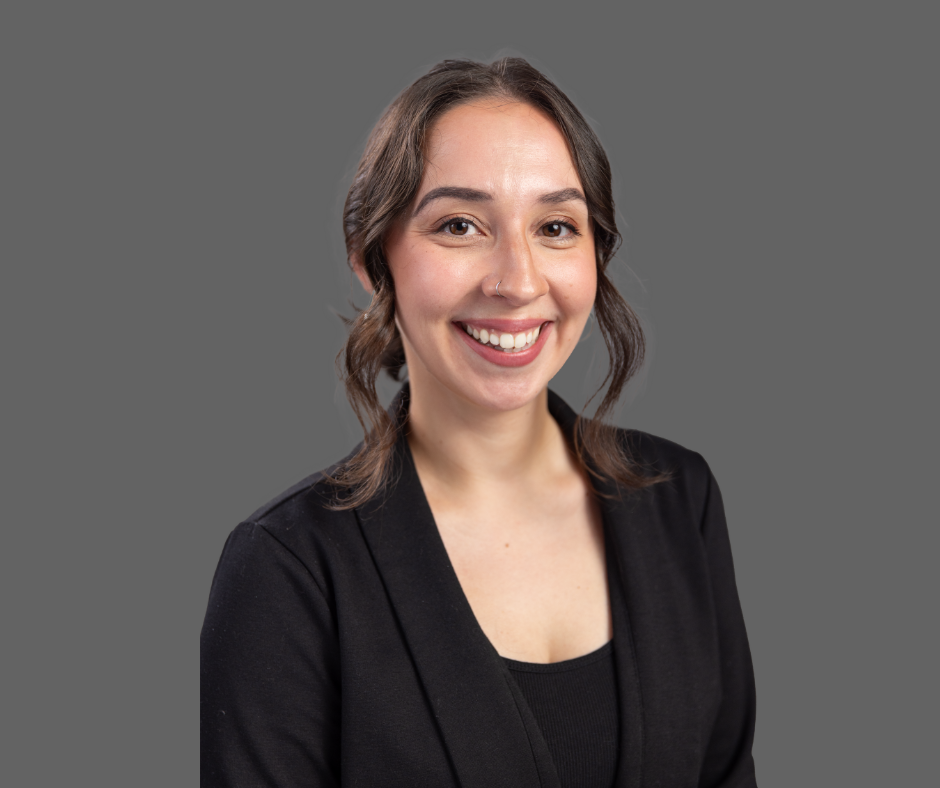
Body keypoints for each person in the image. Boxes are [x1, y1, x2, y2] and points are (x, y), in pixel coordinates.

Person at [200, 57, 757, 788]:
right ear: (375, 260)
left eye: (557, 226)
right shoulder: (287, 570)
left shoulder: (680, 497)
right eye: (460, 225)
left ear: (596, 254)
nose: (518, 281)